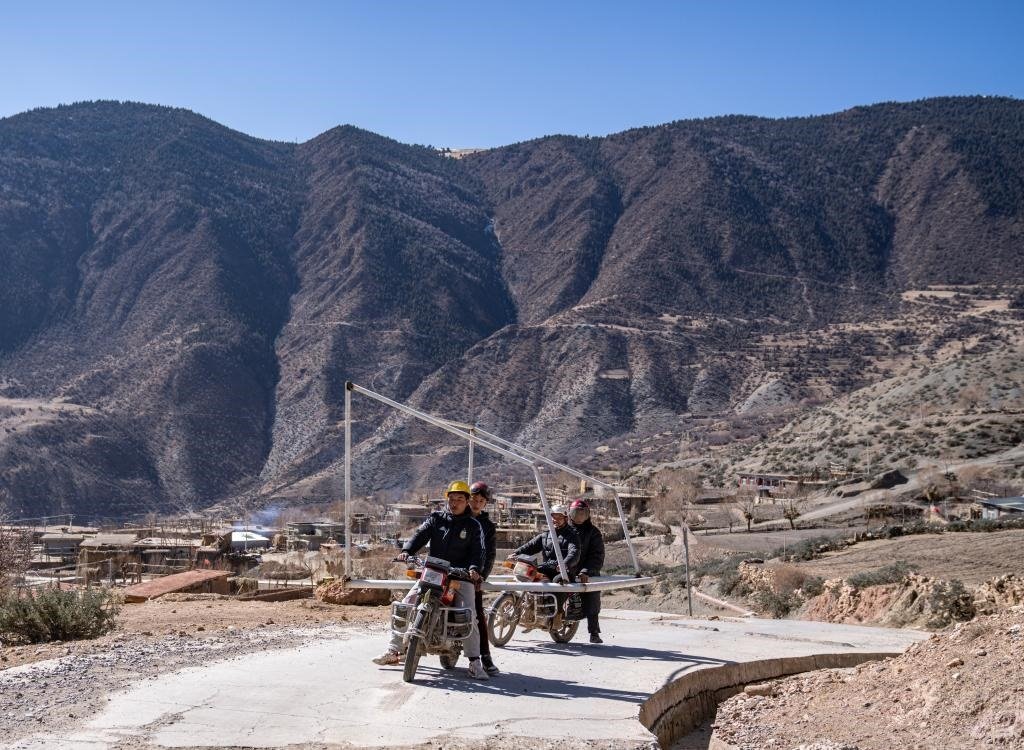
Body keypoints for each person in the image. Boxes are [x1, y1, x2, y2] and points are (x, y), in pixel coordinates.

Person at [373, 480, 489, 680]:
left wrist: (473, 569)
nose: (454, 503)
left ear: (466, 501)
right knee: (405, 604)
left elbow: (478, 552)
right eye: (451, 499)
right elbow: (420, 535)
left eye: (459, 499)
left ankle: (474, 662)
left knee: (469, 615)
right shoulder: (436, 518)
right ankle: (393, 651)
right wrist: (407, 551)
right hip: (434, 572)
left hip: (460, 576)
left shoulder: (473, 525)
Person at [468, 481, 499, 674]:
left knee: (478, 614)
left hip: (473, 575)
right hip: (450, 571)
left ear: (485, 503)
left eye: (481, 501)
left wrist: (481, 576)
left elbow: (490, 554)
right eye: (474, 499)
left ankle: (484, 656)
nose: (476, 504)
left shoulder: (487, 526)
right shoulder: (457, 517)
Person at [569, 498, 606, 644]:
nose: (579, 516)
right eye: (576, 513)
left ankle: (594, 632)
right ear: (570, 514)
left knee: (592, 597)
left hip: (587, 571)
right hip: (567, 569)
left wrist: (586, 571)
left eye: (582, 513)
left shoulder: (593, 532)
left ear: (587, 515)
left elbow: (597, 556)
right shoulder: (564, 530)